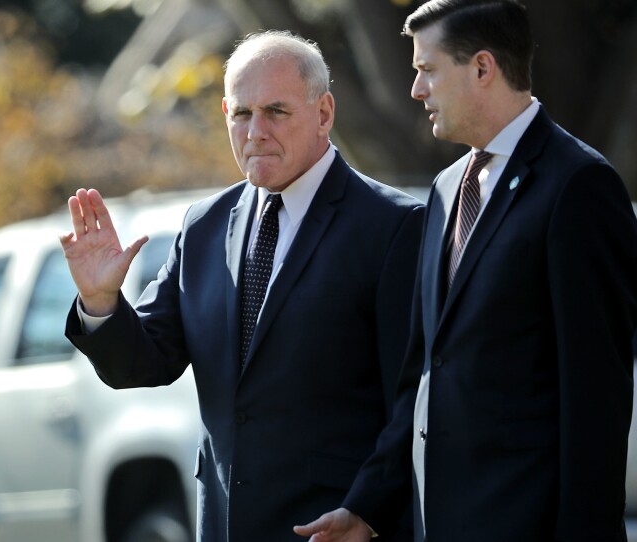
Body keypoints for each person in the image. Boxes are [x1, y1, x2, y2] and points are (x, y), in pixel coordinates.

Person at [60, 30, 423, 541]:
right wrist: (100, 302)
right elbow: (144, 363)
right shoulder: (204, 225)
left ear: (324, 113)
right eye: (242, 114)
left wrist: (369, 511)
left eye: (276, 111)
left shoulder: (393, 225)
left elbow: (414, 397)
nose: (256, 131)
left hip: (336, 529)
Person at [295, 1, 637, 541]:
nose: (416, 89)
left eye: (427, 69)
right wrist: (368, 506)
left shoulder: (579, 186)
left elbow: (597, 395)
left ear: (482, 68)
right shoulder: (447, 187)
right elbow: (423, 372)